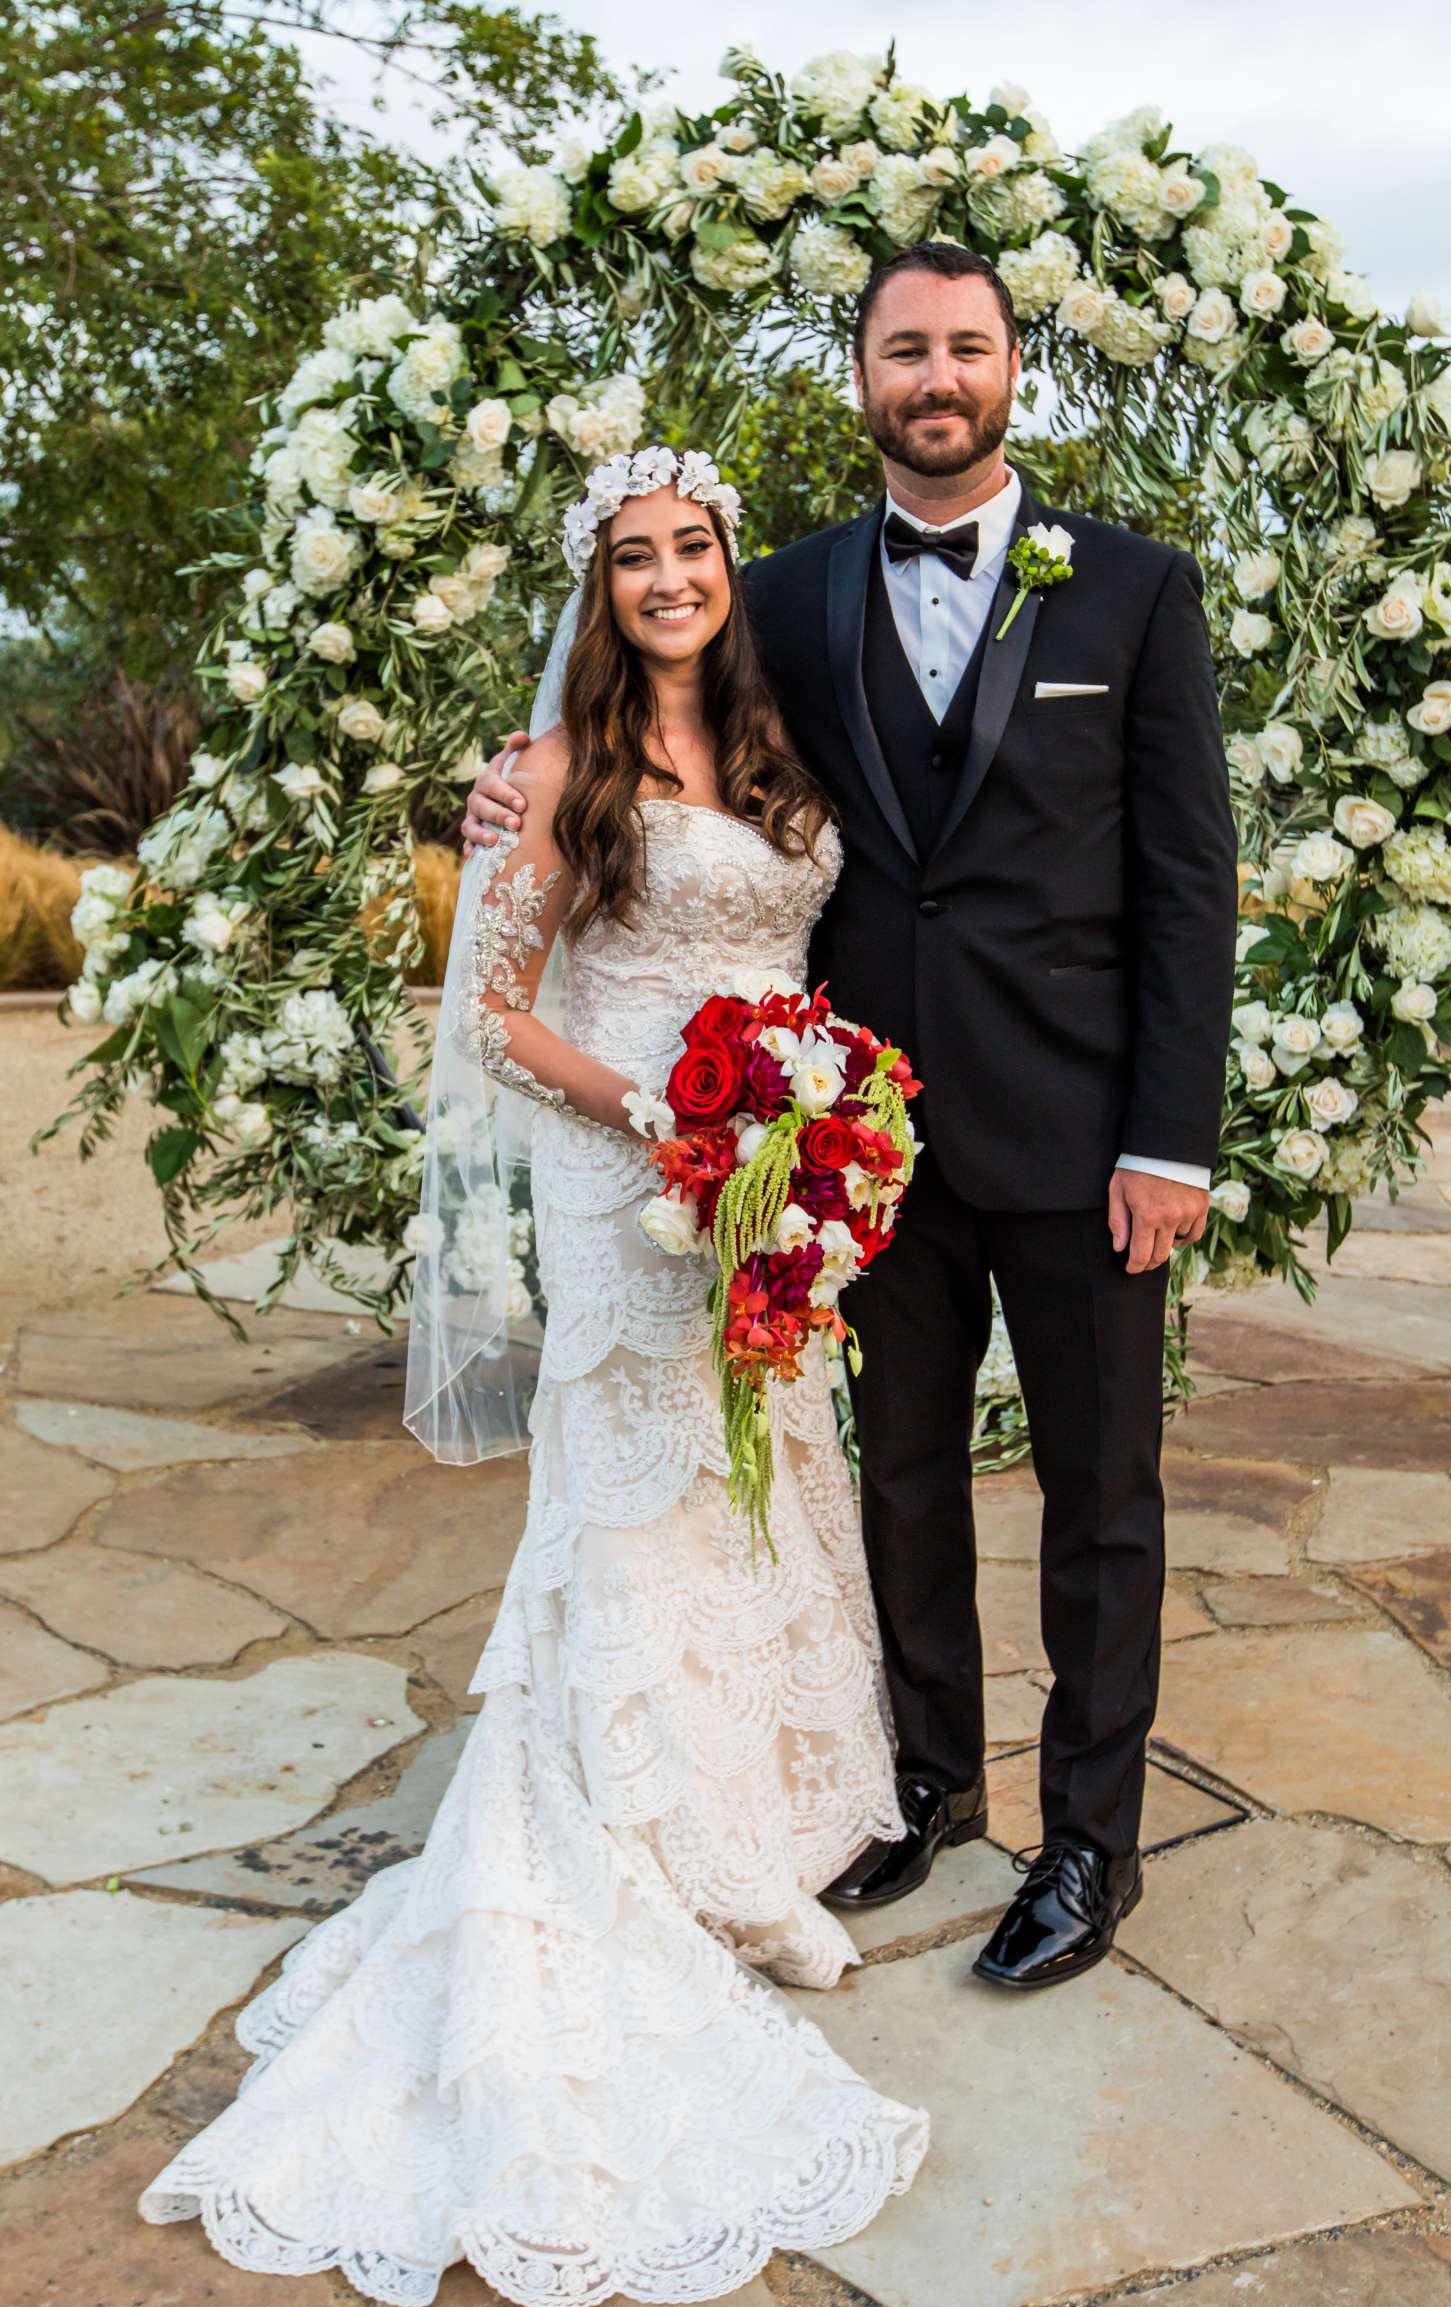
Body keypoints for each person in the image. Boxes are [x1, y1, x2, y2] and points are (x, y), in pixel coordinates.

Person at [135, 446, 929, 2307]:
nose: (670, 579)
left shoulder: (779, 752)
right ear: (598, 587)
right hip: (624, 1181)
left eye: (693, 549)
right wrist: (654, 1113)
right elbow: (489, 1009)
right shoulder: (560, 775)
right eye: (635, 558)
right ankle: (661, 1860)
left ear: (732, 564)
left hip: (762, 1175)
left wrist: (795, 1138)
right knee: (640, 1495)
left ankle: (754, 1834)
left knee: (763, 1476)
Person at [463, 243, 1238, 1996]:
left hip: (1081, 1136)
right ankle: (933, 1782)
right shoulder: (791, 595)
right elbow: (650, 732)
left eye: (967, 346)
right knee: (897, 1477)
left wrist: (1169, 1141)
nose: (937, 374)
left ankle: (1091, 1842)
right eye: (907, 349)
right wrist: (511, 784)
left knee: (1103, 1494)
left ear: (1015, 369)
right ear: (865, 375)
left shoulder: (1131, 592)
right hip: (851, 1158)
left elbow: (1190, 885)